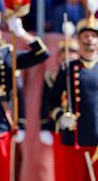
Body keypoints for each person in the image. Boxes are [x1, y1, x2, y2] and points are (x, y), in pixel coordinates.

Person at [0, 9, 50, 181]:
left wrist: (22, 34)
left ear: (0, 31)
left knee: (1, 173)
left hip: (1, 122)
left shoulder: (9, 54)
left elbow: (43, 54)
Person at [49, 14, 98, 181]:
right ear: (79, 39)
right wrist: (61, 117)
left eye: (93, 36)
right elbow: (52, 100)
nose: (90, 39)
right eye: (86, 36)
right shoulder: (68, 68)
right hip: (75, 136)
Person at [40, 39, 79, 181]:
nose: (69, 55)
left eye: (73, 51)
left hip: (78, 125)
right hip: (57, 125)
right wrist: (44, 125)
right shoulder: (51, 75)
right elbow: (46, 100)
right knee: (59, 162)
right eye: (65, 52)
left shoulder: (80, 73)